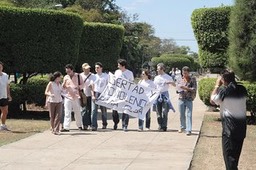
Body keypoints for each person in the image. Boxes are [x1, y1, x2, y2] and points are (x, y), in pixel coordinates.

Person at [210, 70, 247, 170]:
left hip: (229, 130)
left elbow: (212, 101)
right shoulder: (243, 89)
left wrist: (217, 86)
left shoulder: (224, 91)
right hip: (241, 129)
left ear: (223, 79)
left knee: (229, 159)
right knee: (235, 159)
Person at [112, 59, 134, 131]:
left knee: (126, 110)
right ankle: (115, 122)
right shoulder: (117, 72)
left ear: (123, 65)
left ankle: (125, 125)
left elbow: (132, 83)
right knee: (114, 110)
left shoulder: (129, 73)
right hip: (117, 93)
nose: (117, 65)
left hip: (126, 94)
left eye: (119, 64)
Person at [153, 63, 175, 131]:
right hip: (157, 95)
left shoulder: (168, 77)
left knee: (164, 111)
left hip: (165, 95)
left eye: (158, 69)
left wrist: (170, 83)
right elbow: (154, 86)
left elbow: (174, 85)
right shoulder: (156, 77)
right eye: (157, 69)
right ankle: (160, 125)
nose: (157, 70)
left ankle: (164, 126)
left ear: (162, 69)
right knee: (158, 111)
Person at [61, 64, 83, 132]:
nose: (68, 73)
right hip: (68, 96)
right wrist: (64, 84)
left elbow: (83, 84)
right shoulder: (66, 77)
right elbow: (63, 87)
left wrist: (79, 87)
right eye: (67, 71)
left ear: (72, 70)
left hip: (76, 96)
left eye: (69, 71)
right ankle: (66, 127)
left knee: (77, 112)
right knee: (67, 112)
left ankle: (79, 125)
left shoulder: (78, 76)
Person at [177, 66, 197, 136]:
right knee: (182, 114)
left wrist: (186, 88)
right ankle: (183, 127)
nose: (184, 75)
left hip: (189, 99)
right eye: (183, 73)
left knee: (189, 114)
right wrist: (178, 89)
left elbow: (194, 89)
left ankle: (189, 130)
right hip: (181, 98)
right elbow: (177, 88)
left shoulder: (192, 79)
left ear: (188, 73)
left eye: (185, 73)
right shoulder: (180, 79)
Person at [90, 62, 109, 131]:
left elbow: (108, 86)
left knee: (103, 110)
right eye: (95, 68)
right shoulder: (93, 76)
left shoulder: (106, 76)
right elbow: (91, 87)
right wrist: (92, 95)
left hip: (103, 93)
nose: (96, 69)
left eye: (98, 67)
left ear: (101, 68)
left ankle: (104, 123)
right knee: (94, 110)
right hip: (96, 92)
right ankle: (94, 125)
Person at [80, 63, 95, 130]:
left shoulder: (92, 75)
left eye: (89, 68)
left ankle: (91, 124)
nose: (88, 69)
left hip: (91, 95)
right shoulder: (80, 76)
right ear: (83, 69)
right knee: (84, 110)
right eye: (86, 69)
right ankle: (85, 124)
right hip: (84, 95)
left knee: (91, 110)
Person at [0, 61, 12, 131]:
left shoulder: (5, 75)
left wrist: (9, 95)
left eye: (0, 67)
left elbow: (7, 86)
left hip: (4, 96)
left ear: (2, 67)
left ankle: (3, 125)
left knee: (5, 111)